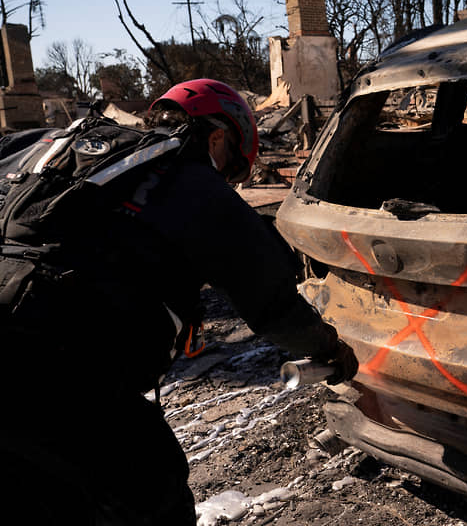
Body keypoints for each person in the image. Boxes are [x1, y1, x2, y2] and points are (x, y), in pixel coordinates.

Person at [0, 78, 357, 525]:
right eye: (233, 173)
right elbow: (273, 307)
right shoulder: (192, 182)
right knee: (151, 489)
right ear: (218, 137)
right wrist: (329, 349)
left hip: (30, 353)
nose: (229, 185)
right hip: (60, 371)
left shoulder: (53, 146)